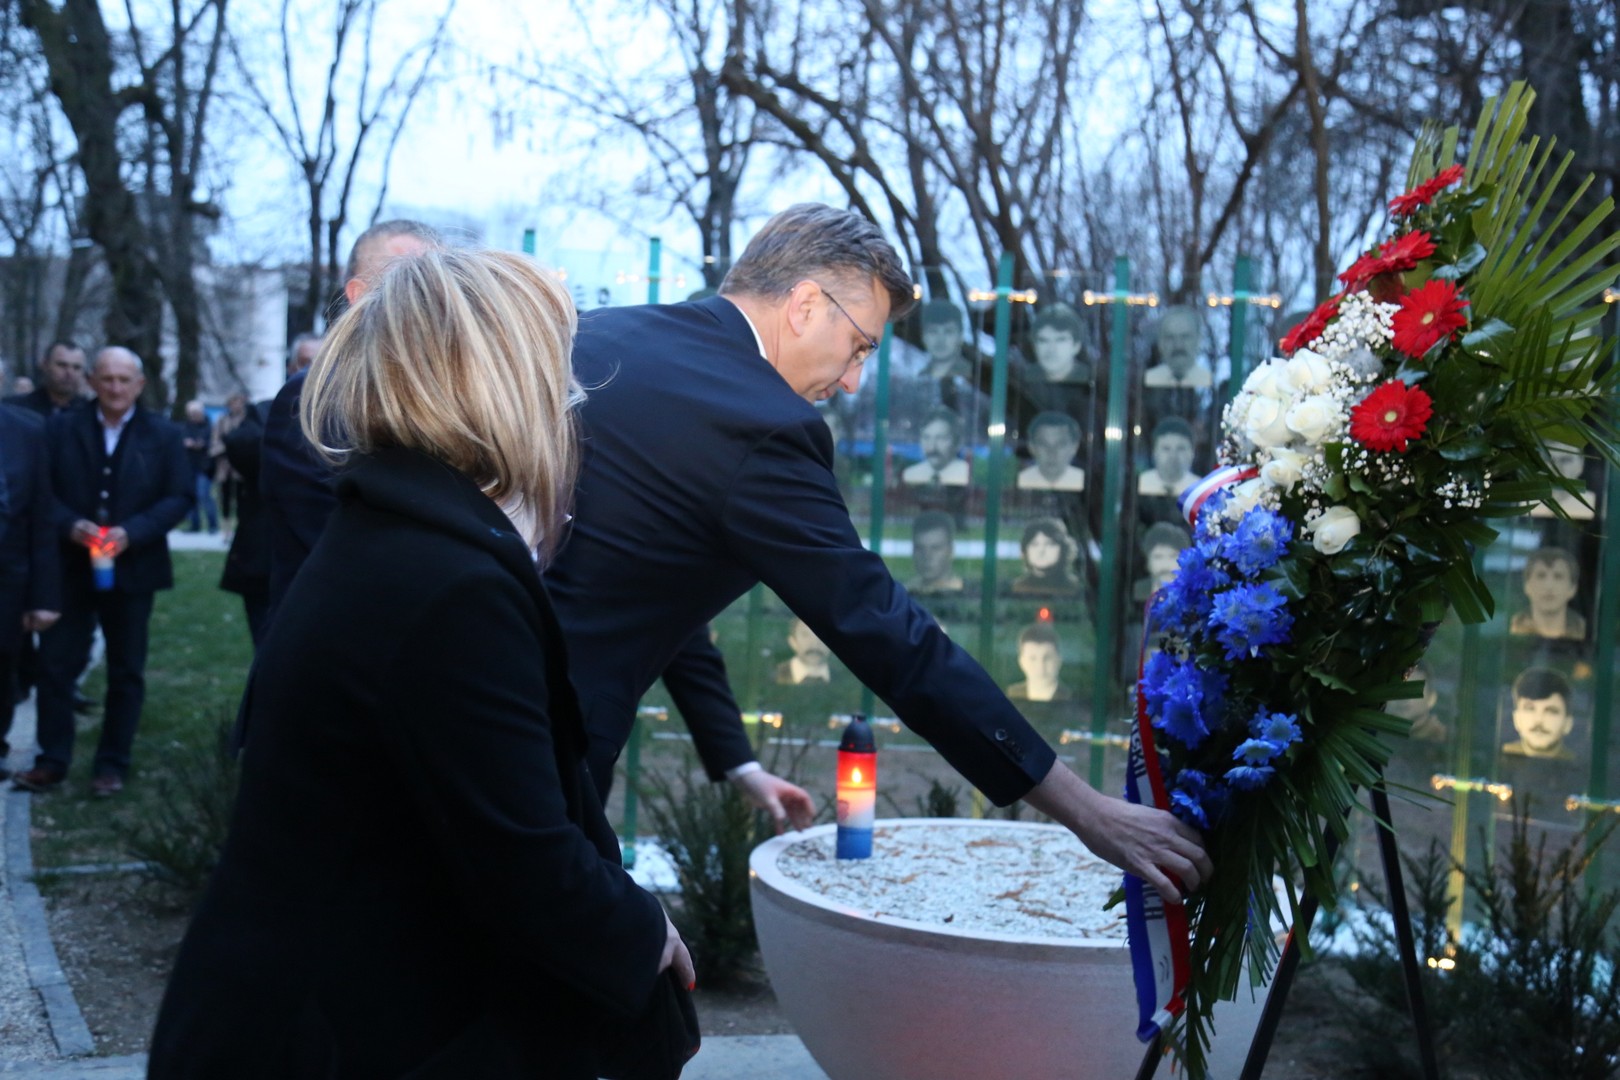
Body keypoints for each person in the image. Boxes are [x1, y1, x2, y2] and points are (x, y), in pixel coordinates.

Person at [545, 203, 1210, 902]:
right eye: (861, 345)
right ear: (805, 305)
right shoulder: (763, 427)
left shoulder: (602, 336)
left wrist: (735, 762)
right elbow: (890, 635)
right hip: (541, 768)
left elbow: (643, 581)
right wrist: (1088, 810)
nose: (857, 379)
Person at [148, 249, 693, 1079]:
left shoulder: (402, 530)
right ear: (503, 381)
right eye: (558, 374)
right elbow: (522, 855)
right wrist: (643, 931)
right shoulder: (447, 581)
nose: (571, 404)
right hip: (329, 1039)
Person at [12, 348, 191, 796]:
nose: (114, 388)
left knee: (126, 669)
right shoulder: (59, 430)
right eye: (106, 379)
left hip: (133, 567)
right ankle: (52, 759)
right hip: (70, 567)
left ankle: (111, 764)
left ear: (139, 384)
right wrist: (71, 525)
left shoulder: (163, 435)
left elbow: (178, 496)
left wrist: (132, 531)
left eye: (123, 380)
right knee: (55, 665)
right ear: (91, 381)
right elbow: (41, 491)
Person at [261, 220, 444, 619]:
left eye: (440, 279)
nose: (431, 294)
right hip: (332, 635)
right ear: (358, 295)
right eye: (408, 277)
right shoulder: (312, 395)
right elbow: (330, 534)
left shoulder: (447, 391)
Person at [0, 407, 62, 781]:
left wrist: (45, 594)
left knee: (3, 662)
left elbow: (41, 518)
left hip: (8, 576)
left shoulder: (27, 431)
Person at [1510, 546, 1586, 640]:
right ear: (1527, 586)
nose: (1549, 586)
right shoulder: (1514, 627)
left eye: (1558, 577)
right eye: (1541, 576)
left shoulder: (1582, 628)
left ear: (1573, 588)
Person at [1502, 667, 1577, 761]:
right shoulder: (1496, 760)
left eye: (1551, 711)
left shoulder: (1582, 768)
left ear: (1568, 723)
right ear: (1517, 719)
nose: (1539, 720)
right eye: (1530, 709)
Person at [7, 340, 88, 417]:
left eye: (76, 367)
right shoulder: (16, 410)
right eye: (62, 365)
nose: (69, 373)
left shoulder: (90, 414)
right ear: (45, 365)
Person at [1008, 517, 1082, 598]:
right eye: (1034, 544)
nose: (1041, 550)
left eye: (1050, 544)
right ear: (1025, 550)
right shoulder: (1018, 587)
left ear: (1063, 549)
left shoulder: (1075, 587)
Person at [1143, 306, 1212, 388]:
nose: (1178, 345)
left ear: (1198, 340)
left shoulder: (1209, 380)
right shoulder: (1150, 379)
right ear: (1161, 342)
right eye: (1170, 337)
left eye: (1185, 337)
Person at [901, 405, 970, 486]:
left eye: (941, 438)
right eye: (926, 437)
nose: (932, 447)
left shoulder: (968, 474)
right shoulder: (911, 475)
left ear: (957, 442)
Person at [1017, 411, 1085, 491]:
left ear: (1074, 447)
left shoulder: (1083, 480)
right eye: (1043, 444)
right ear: (1031, 447)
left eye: (1060, 445)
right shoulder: (1021, 479)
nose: (1052, 453)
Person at [1005, 621, 1070, 702]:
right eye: (1032, 659)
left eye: (1047, 658)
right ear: (1021, 662)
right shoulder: (1011, 695)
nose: (1040, 667)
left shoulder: (1071, 698)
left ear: (1059, 660)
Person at [181, 401, 219, 534]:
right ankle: (195, 524)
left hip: (205, 467)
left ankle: (213, 525)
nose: (194, 416)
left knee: (204, 495)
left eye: (196, 413)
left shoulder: (210, 427)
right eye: (191, 414)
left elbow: (213, 444)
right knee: (192, 496)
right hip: (189, 466)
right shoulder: (186, 426)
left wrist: (200, 444)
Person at [1138, 417, 1197, 498]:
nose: (1173, 456)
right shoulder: (1140, 483)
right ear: (1154, 453)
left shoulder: (1200, 489)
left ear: (1192, 453)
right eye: (1166, 448)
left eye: (1180, 449)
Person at [908, 512, 964, 595]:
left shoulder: (968, 596)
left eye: (936, 548)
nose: (927, 556)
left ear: (951, 551)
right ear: (912, 551)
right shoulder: (901, 594)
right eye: (920, 548)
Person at [774, 617, 835, 684]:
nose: (815, 643)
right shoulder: (771, 677)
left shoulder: (846, 678)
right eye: (806, 635)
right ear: (793, 642)